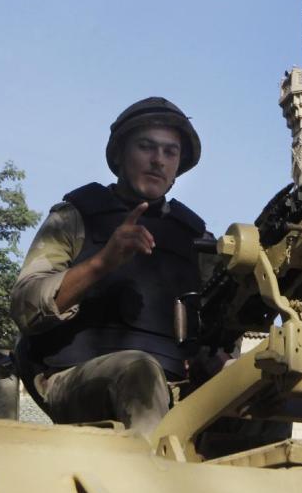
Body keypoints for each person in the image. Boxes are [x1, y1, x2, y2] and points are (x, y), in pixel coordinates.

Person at [11, 97, 206, 435]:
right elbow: (25, 305)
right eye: (146, 147)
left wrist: (214, 356)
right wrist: (102, 263)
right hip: (72, 378)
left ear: (178, 167)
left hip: (174, 385)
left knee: (268, 385)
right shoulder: (75, 216)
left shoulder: (196, 237)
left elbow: (216, 321)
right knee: (139, 370)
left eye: (170, 152)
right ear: (119, 155)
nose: (158, 160)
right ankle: (151, 483)